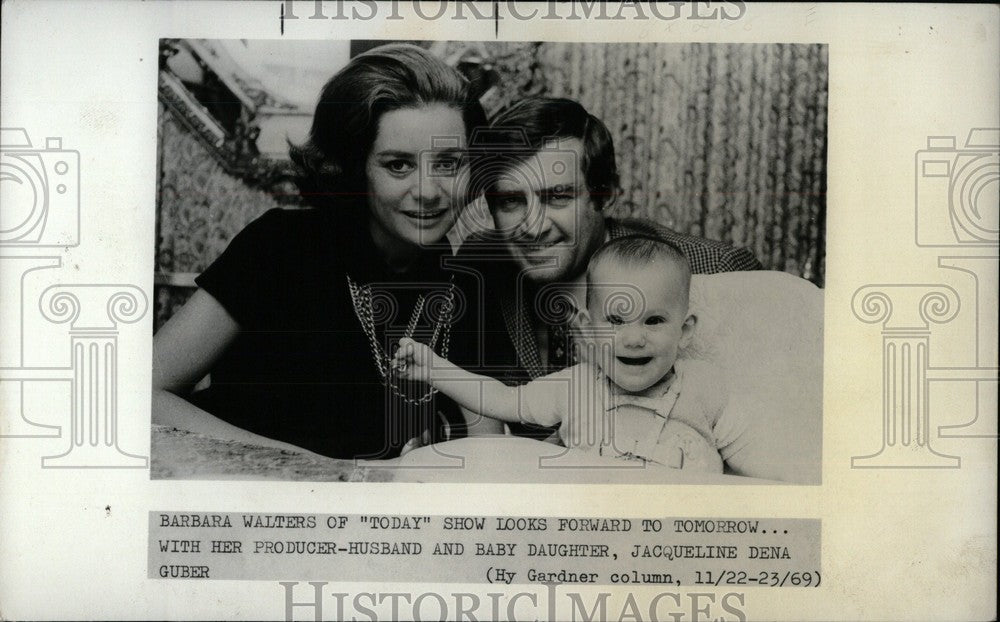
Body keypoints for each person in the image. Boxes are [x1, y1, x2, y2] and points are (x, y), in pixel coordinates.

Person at [152, 44, 487, 459]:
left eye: (449, 163)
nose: (428, 192)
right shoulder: (280, 246)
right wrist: (302, 465)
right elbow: (146, 394)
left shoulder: (464, 279)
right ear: (352, 166)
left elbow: (481, 437)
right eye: (398, 165)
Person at [450, 97, 762, 440]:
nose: (533, 226)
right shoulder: (480, 265)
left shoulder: (714, 270)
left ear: (606, 193)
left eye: (557, 197)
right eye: (511, 201)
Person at [395, 235, 731, 473]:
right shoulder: (575, 387)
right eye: (615, 321)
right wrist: (434, 369)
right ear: (588, 327)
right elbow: (501, 399)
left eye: (654, 321)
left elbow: (763, 458)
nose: (634, 339)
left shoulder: (707, 387)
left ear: (685, 331)